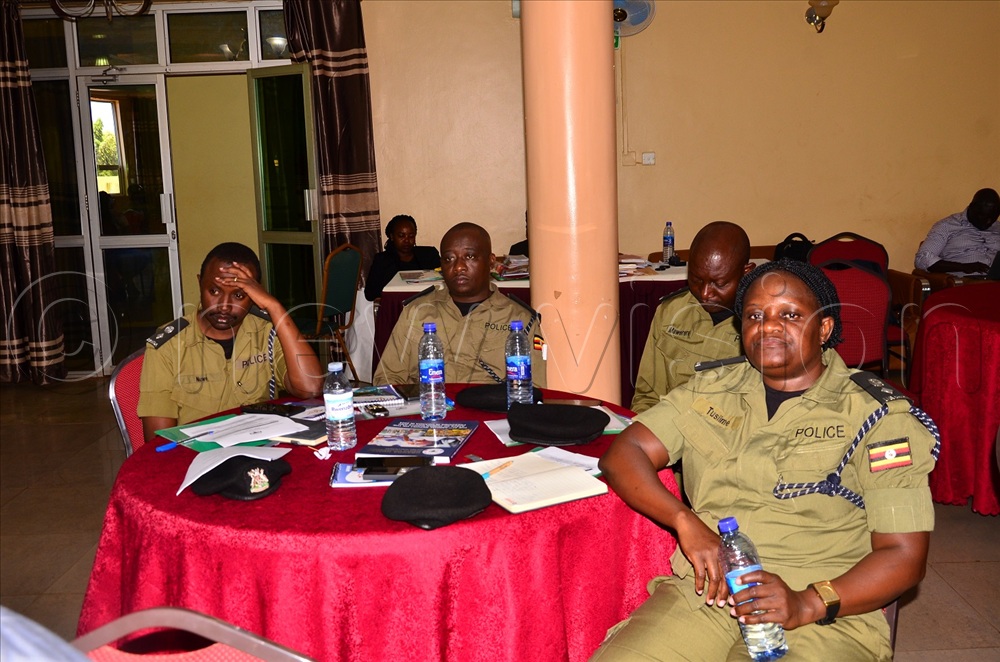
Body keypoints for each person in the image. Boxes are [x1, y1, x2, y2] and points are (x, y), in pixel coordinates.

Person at [592, 260, 938, 661]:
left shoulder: (877, 415)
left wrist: (808, 602)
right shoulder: (710, 389)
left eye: (790, 315)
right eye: (755, 315)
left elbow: (903, 555)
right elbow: (624, 453)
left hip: (821, 610)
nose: (768, 326)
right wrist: (685, 521)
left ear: (824, 329)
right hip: (709, 593)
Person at [138, 242, 323, 440]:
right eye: (214, 291)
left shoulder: (267, 332)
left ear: (254, 295)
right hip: (196, 453)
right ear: (200, 283)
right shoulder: (169, 346)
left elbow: (310, 387)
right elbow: (158, 441)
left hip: (261, 448)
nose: (224, 306)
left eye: (239, 295)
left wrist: (274, 307)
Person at [374, 222, 546, 385]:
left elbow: (536, 388)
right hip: (429, 403)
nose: (458, 267)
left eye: (469, 257)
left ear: (491, 262)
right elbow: (387, 377)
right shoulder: (417, 312)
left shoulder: (520, 319)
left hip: (490, 406)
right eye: (449, 259)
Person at [630, 221, 754, 414]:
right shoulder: (671, 312)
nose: (705, 293)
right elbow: (647, 397)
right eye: (696, 279)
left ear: (746, 272)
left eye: (719, 284)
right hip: (667, 425)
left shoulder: (764, 325)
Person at [914, 188, 1000, 274]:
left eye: (992, 218)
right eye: (982, 216)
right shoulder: (947, 226)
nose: (988, 222)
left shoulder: (998, 227)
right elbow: (922, 259)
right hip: (964, 280)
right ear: (971, 207)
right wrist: (963, 267)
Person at [364, 214, 441, 301]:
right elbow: (370, 294)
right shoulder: (382, 260)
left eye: (411, 236)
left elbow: (442, 285)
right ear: (392, 236)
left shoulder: (429, 255)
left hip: (427, 304)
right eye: (401, 236)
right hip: (396, 305)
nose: (407, 240)